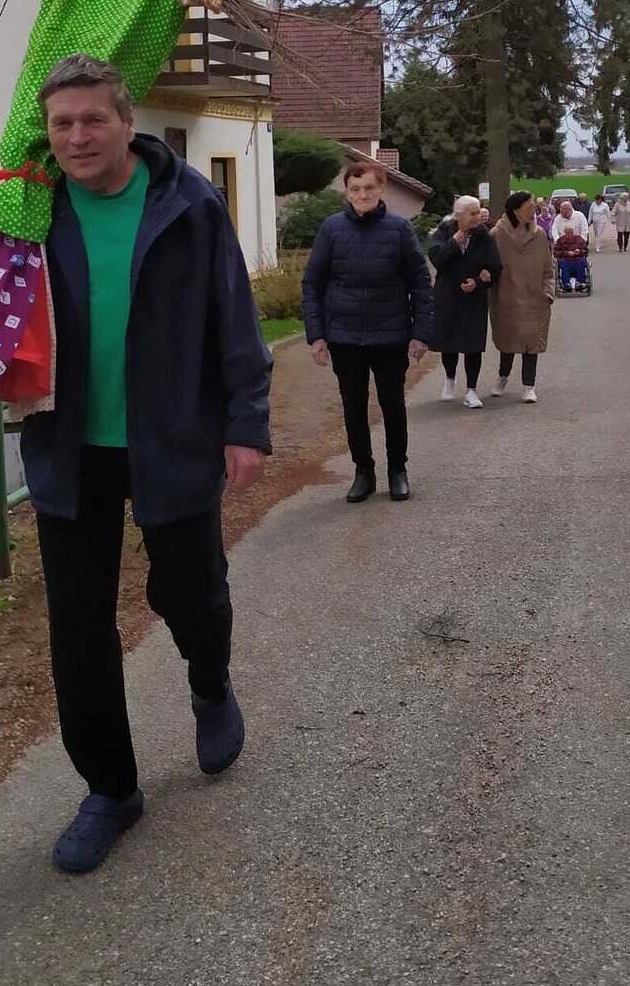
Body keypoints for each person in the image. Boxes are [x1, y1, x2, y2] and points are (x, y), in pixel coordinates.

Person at [23, 54, 273, 875]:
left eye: (93, 119)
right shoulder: (30, 206)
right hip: (68, 445)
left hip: (172, 434)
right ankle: (111, 789)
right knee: (78, 625)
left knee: (191, 592)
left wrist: (245, 424)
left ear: (127, 124)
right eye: (62, 123)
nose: (78, 136)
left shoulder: (189, 203)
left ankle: (209, 679)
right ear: (47, 132)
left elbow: (234, 316)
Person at [302, 161, 433, 504]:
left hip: (390, 335)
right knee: (353, 408)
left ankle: (397, 471)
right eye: (355, 189)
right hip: (345, 338)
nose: (362, 195)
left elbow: (421, 284)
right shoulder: (331, 229)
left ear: (381, 190)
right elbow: (312, 284)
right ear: (347, 192)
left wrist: (421, 332)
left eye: (369, 188)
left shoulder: (399, 229)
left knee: (393, 405)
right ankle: (363, 472)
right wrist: (316, 335)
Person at [428, 195, 502, 408]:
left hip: (473, 298)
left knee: (473, 344)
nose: (478, 217)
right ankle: (450, 380)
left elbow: (495, 266)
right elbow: (437, 260)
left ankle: (471, 390)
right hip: (448, 295)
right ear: (459, 215)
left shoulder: (483, 236)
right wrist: (454, 243)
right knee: (449, 342)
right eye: (473, 213)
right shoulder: (443, 232)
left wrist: (478, 281)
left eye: (478, 212)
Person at [490, 191, 555, 402]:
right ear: (516, 211)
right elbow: (486, 265)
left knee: (531, 342)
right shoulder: (496, 234)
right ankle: (503, 376)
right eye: (529, 207)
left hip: (535, 297)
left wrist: (548, 292)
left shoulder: (539, 235)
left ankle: (529, 386)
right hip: (507, 298)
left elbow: (548, 268)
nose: (534, 209)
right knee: (508, 340)